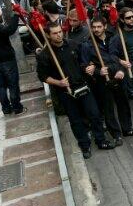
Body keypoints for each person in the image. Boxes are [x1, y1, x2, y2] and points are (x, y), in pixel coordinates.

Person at [36, 22, 114, 159]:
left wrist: (89, 67)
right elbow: (43, 76)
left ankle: (101, 141)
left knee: (94, 114)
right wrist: (58, 82)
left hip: (83, 85)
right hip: (66, 92)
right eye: (55, 33)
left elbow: (85, 60)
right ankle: (85, 145)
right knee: (76, 120)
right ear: (48, 35)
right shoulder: (45, 55)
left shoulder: (73, 44)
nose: (59, 35)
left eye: (60, 31)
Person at [79, 17, 133, 145]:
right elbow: (84, 66)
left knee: (123, 104)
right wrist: (97, 71)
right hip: (103, 80)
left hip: (119, 76)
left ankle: (127, 129)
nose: (96, 29)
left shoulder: (115, 38)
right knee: (108, 108)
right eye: (94, 27)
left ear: (105, 26)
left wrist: (122, 70)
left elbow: (123, 58)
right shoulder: (87, 44)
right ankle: (116, 135)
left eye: (99, 26)